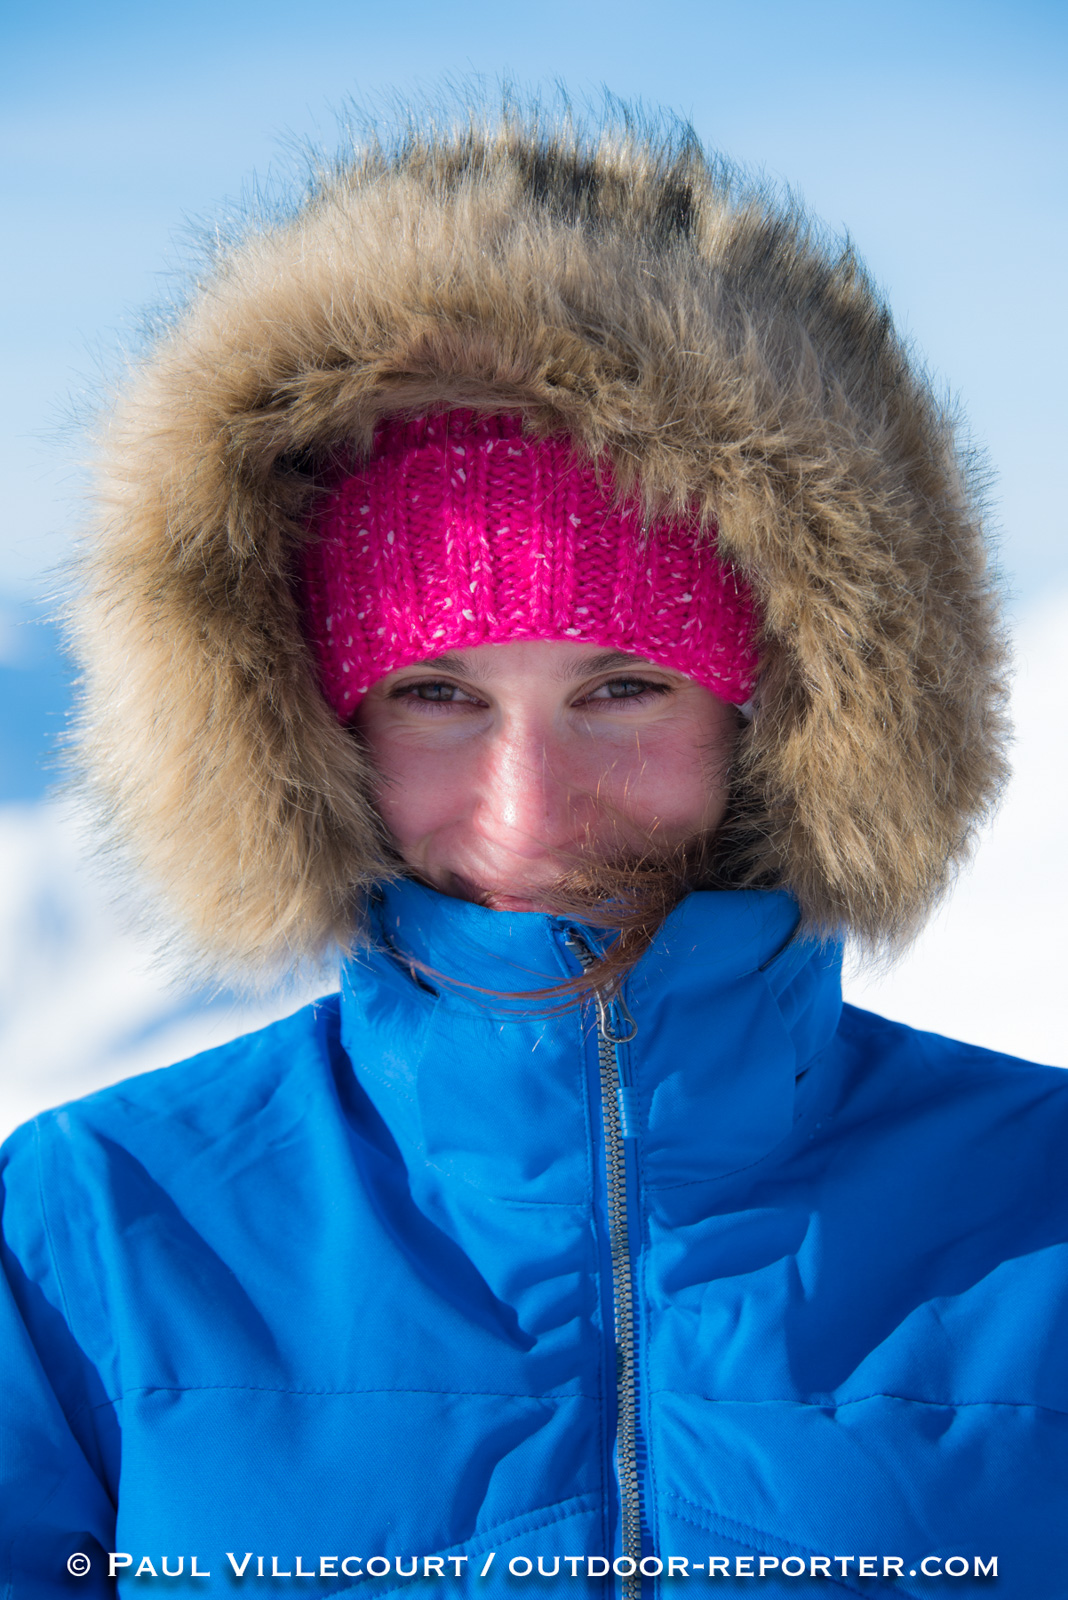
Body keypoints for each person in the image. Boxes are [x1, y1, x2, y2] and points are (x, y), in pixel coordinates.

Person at [2, 107, 1066, 1598]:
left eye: (622, 689)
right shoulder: (95, 1229)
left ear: (781, 713)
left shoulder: (1041, 1207)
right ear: (307, 727)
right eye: (437, 698)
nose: (527, 817)